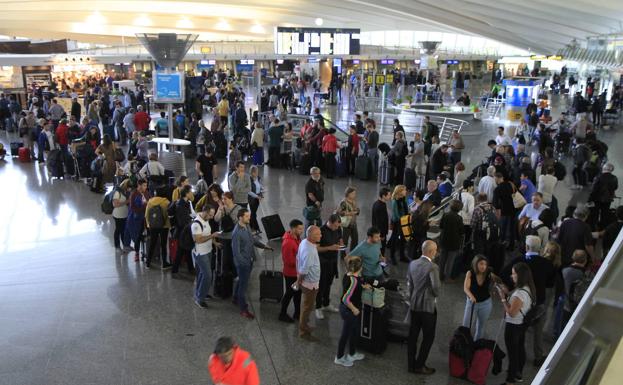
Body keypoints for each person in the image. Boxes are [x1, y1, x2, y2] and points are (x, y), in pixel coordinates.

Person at [502, 236, 555, 366]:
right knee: (538, 331)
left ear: (526, 247)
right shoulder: (547, 263)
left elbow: (503, 273)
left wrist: (511, 286)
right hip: (539, 302)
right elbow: (550, 283)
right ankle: (538, 356)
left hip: (522, 301)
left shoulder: (519, 260)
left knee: (520, 331)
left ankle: (518, 357)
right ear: (541, 248)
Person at [497, 262, 535, 385]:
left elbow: (511, 312)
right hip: (521, 324)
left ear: (520, 276)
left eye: (513, 274)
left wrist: (503, 298)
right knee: (519, 348)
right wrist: (507, 293)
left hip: (513, 325)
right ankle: (518, 373)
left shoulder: (519, 293)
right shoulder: (527, 288)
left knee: (513, 353)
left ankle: (510, 380)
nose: (511, 276)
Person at [407, 240, 440, 375]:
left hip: (414, 304)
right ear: (431, 252)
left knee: (413, 336)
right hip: (427, 307)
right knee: (428, 336)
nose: (436, 252)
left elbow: (410, 283)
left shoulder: (413, 263)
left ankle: (411, 365)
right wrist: (433, 294)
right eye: (435, 250)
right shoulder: (433, 267)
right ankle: (420, 365)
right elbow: (436, 288)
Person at [231, 208, 272, 319]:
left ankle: (235, 298)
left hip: (248, 260)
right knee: (243, 287)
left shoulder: (247, 226)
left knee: (241, 280)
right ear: (240, 217)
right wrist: (245, 263)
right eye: (247, 216)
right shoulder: (236, 233)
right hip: (243, 263)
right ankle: (243, 309)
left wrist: (263, 246)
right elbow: (236, 252)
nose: (249, 218)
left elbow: (252, 240)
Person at [334, 256, 369, 367]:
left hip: (350, 310)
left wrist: (362, 286)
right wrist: (354, 309)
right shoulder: (353, 280)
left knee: (354, 331)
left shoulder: (349, 275)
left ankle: (352, 353)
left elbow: (352, 287)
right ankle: (339, 357)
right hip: (349, 310)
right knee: (346, 334)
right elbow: (345, 298)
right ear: (360, 268)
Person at [463, 255, 501, 340]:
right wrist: (471, 296)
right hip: (472, 303)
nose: (483, 266)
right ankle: (464, 344)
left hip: (486, 304)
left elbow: (498, 281)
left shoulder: (489, 272)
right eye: (481, 264)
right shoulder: (470, 273)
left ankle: (477, 344)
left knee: (481, 326)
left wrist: (496, 286)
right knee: (466, 326)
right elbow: (466, 288)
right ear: (475, 264)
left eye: (485, 264)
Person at [297, 225, 322, 340]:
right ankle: (303, 332)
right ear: (311, 236)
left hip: (308, 282)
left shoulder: (304, 242)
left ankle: (305, 326)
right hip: (310, 283)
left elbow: (298, 258)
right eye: (317, 234)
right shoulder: (310, 250)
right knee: (307, 307)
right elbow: (304, 270)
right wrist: (299, 281)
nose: (320, 235)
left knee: (307, 306)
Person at [192, 205, 220, 308]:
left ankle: (201, 292)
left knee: (202, 274)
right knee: (208, 275)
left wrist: (214, 243)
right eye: (211, 215)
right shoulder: (196, 224)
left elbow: (207, 233)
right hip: (200, 253)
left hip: (208, 251)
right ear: (205, 212)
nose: (212, 217)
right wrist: (212, 236)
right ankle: (200, 299)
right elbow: (198, 240)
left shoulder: (205, 219)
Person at [279, 219, 304, 323]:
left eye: (302, 228)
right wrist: (303, 262)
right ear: (293, 229)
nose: (302, 231)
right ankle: (282, 314)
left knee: (298, 294)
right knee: (289, 293)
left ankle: (297, 313)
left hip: (297, 272)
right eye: (299, 228)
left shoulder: (296, 238)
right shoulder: (288, 243)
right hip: (291, 274)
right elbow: (289, 261)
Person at [144, 187, 172, 270]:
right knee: (163, 245)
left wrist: (149, 225)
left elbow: (146, 215)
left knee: (152, 243)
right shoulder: (166, 202)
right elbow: (168, 215)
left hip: (153, 226)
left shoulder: (150, 201)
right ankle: (164, 263)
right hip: (164, 226)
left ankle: (148, 263)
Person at [172, 185, 196, 276]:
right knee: (181, 250)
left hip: (184, 231)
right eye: (190, 192)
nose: (192, 193)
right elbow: (182, 221)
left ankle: (190, 268)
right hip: (182, 231)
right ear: (186, 193)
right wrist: (191, 222)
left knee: (186, 249)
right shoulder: (181, 205)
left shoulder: (185, 203)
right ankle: (175, 270)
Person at [438, 200, 465, 282]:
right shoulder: (459, 218)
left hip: (444, 240)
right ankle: (447, 278)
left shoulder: (445, 215)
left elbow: (441, 226)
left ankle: (440, 275)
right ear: (459, 209)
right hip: (454, 242)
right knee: (450, 261)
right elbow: (462, 231)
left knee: (442, 259)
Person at [561, 250, 588, 328]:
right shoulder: (585, 275)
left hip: (565, 304)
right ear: (585, 260)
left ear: (573, 258)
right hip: (577, 307)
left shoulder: (565, 271)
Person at [126, 179, 150, 262]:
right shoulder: (134, 194)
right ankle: (137, 253)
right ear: (139, 186)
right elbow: (132, 207)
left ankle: (148, 252)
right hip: (137, 219)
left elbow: (150, 202)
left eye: (146, 185)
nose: (146, 187)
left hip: (146, 218)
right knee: (138, 237)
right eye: (144, 185)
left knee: (148, 235)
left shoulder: (146, 193)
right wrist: (143, 208)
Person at [589, 163, 618, 227]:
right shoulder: (614, 178)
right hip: (608, 199)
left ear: (603, 168)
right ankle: (603, 229)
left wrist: (589, 199)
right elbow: (615, 187)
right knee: (604, 215)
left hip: (597, 199)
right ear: (612, 170)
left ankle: (594, 228)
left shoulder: (598, 177)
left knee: (595, 215)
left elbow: (593, 189)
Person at [493, 172, 516, 250]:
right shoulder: (510, 184)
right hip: (513, 209)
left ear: (497, 178)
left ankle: (501, 245)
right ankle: (511, 245)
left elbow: (495, 204)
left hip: (503, 212)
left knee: (502, 229)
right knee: (511, 229)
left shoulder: (497, 189)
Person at [390, 185, 409, 264]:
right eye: (404, 190)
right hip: (397, 223)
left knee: (403, 239)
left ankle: (402, 256)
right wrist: (403, 219)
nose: (406, 191)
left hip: (404, 221)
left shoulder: (404, 199)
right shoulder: (395, 201)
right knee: (394, 239)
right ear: (400, 191)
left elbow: (405, 210)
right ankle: (392, 256)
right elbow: (396, 215)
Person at [112, 179, 131, 252]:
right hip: (118, 215)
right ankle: (117, 246)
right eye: (129, 187)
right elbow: (115, 204)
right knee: (118, 230)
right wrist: (127, 201)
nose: (130, 189)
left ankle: (125, 245)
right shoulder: (117, 192)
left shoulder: (126, 192)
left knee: (124, 231)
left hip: (124, 214)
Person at [371, 188, 391, 256]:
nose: (390, 197)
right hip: (380, 232)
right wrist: (382, 234)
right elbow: (380, 222)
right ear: (383, 196)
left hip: (376, 231)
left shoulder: (377, 203)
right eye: (388, 195)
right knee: (381, 248)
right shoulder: (381, 206)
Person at [247, 165, 264, 233]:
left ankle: (251, 226)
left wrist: (262, 189)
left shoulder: (258, 178)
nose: (257, 174)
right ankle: (256, 228)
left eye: (257, 172)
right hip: (252, 198)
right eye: (255, 172)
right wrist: (256, 196)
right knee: (254, 213)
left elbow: (259, 185)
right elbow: (249, 191)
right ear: (252, 173)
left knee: (254, 213)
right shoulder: (249, 180)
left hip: (257, 197)